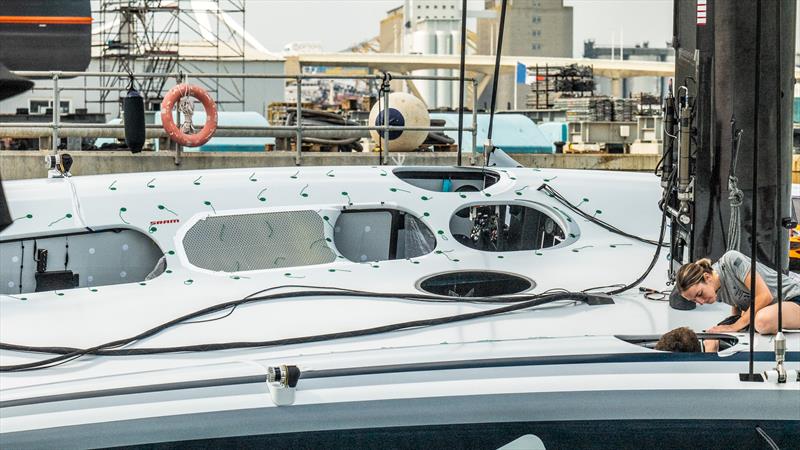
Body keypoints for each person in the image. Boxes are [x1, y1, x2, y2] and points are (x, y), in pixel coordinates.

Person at [676, 250, 800, 335]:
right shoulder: (714, 290)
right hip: (776, 309)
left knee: (762, 321)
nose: (701, 302)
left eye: (699, 294)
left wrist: (735, 326)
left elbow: (764, 296)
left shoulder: (731, 260)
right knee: (713, 337)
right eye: (694, 301)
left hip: (794, 297)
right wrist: (731, 322)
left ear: (707, 277)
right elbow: (738, 302)